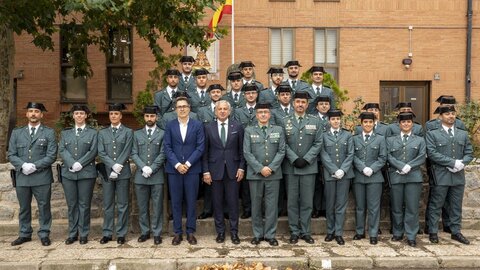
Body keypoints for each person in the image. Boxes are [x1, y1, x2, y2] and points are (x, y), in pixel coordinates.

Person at [8, 102, 57, 246]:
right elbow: (11, 154)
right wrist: (23, 165)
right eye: (31, 111)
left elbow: (52, 155)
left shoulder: (49, 133)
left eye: (36, 111)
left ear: (41, 114)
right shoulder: (17, 133)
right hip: (22, 176)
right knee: (24, 207)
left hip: (41, 177)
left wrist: (35, 166)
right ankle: (24, 233)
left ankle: (44, 233)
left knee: (44, 206)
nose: (33, 114)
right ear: (27, 114)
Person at [426, 105, 473, 245]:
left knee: (456, 205)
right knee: (436, 204)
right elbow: (432, 153)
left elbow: (469, 152)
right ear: (440, 116)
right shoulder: (432, 133)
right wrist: (452, 163)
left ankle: (456, 231)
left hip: (458, 176)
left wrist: (462, 163)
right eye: (447, 114)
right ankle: (433, 231)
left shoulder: (462, 133)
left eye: (453, 113)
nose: (451, 116)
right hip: (441, 174)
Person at [282, 92, 322, 245]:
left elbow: (318, 143)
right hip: (291, 168)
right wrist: (293, 158)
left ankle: (305, 232)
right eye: (297, 101)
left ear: (307, 104)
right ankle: (294, 231)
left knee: (307, 202)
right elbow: (282, 143)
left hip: (308, 168)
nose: (300, 104)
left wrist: (306, 159)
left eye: (303, 102)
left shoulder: (315, 121)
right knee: (292, 202)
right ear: (293, 103)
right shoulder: (285, 121)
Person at [202, 100, 245, 245]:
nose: (222, 111)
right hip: (215, 171)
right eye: (219, 109)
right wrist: (206, 171)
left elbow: (242, 150)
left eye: (225, 109)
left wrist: (241, 167)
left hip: (233, 171)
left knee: (233, 203)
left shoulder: (237, 127)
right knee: (217, 203)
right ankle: (220, 232)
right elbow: (205, 152)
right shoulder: (208, 128)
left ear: (229, 111)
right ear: (215, 111)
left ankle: (234, 232)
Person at [164, 97, 205, 245]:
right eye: (179, 106)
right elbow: (167, 147)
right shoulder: (170, 125)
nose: (182, 109)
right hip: (174, 170)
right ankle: (177, 233)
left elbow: (200, 147)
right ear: (175, 109)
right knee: (175, 202)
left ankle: (190, 232)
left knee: (191, 201)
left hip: (192, 170)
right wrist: (177, 164)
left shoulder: (197, 125)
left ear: (189, 108)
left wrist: (187, 164)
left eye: (184, 106)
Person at [243, 103, 286, 246]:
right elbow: (247, 152)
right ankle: (257, 234)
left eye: (265, 112)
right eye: (260, 112)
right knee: (255, 205)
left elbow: (281, 151)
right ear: (256, 115)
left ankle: (270, 235)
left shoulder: (278, 130)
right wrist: (260, 168)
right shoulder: (249, 130)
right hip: (255, 174)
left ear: (269, 114)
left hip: (273, 174)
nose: (263, 114)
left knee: (271, 206)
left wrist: (271, 168)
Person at [58, 104, 98, 245]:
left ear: (86, 115)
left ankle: (84, 233)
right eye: (77, 113)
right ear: (73, 116)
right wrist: (71, 163)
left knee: (84, 204)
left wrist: (80, 163)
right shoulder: (65, 133)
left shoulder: (93, 133)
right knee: (72, 205)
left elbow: (93, 151)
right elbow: (62, 150)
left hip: (86, 173)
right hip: (69, 173)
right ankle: (73, 233)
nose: (79, 116)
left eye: (82, 113)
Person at [386, 112, 426, 247]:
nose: (406, 124)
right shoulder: (391, 140)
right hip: (396, 176)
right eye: (403, 122)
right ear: (399, 124)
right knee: (396, 207)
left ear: (412, 124)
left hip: (413, 177)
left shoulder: (419, 140)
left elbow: (422, 156)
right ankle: (397, 233)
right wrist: (400, 166)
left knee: (412, 207)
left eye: (409, 122)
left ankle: (411, 235)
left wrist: (409, 166)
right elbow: (388, 156)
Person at [98, 103, 134, 244]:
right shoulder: (102, 133)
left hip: (123, 172)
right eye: (111, 114)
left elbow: (127, 149)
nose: (113, 116)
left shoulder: (128, 132)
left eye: (116, 114)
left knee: (123, 204)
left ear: (121, 116)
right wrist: (113, 165)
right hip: (107, 173)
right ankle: (107, 233)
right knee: (107, 204)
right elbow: (101, 151)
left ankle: (121, 233)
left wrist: (118, 166)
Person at [131, 105, 166, 245]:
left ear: (156, 117)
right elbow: (133, 152)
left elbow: (163, 153)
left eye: (152, 116)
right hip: (141, 176)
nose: (150, 118)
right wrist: (143, 167)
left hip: (157, 175)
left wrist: (152, 168)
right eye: (147, 116)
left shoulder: (163, 133)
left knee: (157, 206)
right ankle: (145, 232)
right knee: (142, 206)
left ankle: (157, 232)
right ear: (144, 117)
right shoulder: (137, 134)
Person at [320, 110, 354, 245]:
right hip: (330, 174)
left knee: (341, 204)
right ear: (329, 121)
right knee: (330, 204)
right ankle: (330, 231)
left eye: (337, 119)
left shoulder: (347, 135)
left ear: (341, 121)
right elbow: (323, 154)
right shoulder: (323, 136)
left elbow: (350, 154)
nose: (335, 121)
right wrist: (334, 170)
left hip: (344, 175)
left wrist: (343, 170)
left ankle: (339, 233)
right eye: (333, 119)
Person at [352, 112, 387, 245]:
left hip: (375, 177)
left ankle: (373, 233)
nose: (367, 124)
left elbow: (383, 157)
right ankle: (360, 231)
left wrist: (372, 168)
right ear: (361, 124)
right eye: (365, 122)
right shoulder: (354, 138)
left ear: (374, 124)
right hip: (359, 177)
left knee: (373, 207)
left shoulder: (380, 139)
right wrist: (362, 168)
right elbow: (353, 155)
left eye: (370, 122)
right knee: (360, 206)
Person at [197, 84, 225, 220]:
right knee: (208, 183)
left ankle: (224, 210)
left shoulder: (226, 108)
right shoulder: (202, 111)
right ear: (209, 94)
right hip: (209, 148)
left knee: (224, 182)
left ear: (221, 93)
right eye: (213, 92)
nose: (215, 94)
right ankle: (207, 209)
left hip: (224, 150)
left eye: (218, 91)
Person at [310, 95, 332, 219]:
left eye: (326, 104)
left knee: (327, 184)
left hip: (330, 157)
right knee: (316, 184)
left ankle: (325, 208)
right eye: (321, 104)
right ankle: (316, 208)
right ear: (317, 106)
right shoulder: (312, 119)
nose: (324, 106)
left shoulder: (333, 118)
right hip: (316, 157)